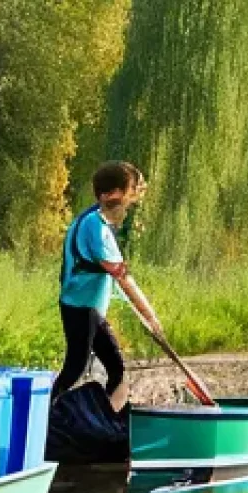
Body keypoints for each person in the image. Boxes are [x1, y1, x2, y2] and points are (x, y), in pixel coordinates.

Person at [52, 161, 162, 413]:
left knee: (116, 370)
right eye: (128, 192)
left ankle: (107, 421)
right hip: (82, 308)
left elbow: (113, 278)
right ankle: (46, 416)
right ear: (109, 194)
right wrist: (151, 317)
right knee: (76, 368)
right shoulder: (95, 226)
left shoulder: (94, 219)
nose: (131, 200)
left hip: (89, 309)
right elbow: (123, 278)